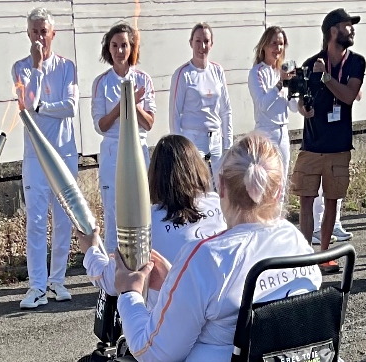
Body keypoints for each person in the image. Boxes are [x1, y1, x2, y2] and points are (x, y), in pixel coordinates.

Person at [81, 132, 321, 362]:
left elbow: (152, 351)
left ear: (222, 187)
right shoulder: (295, 240)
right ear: (278, 190)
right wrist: (173, 284)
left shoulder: (207, 257)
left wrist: (129, 293)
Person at [78, 134, 227, 310]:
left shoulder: (146, 224)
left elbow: (111, 281)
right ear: (198, 168)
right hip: (222, 313)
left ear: (154, 176)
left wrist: (91, 250)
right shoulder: (220, 204)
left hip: (171, 324)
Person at [11, 7, 79, 309]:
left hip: (63, 152)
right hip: (36, 156)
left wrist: (42, 107)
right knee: (36, 221)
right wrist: (37, 68)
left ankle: (57, 281)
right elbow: (26, 106)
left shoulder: (67, 67)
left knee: (64, 219)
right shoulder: (21, 68)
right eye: (35, 31)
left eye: (44, 31)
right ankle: (36, 285)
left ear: (53, 34)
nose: (40, 37)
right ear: (28, 34)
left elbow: (71, 107)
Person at [291, 8, 366, 273]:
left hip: (339, 145)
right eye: (348, 25)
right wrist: (305, 110)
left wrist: (326, 77)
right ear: (334, 31)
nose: (353, 30)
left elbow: (347, 96)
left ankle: (323, 256)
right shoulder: (311, 62)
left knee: (332, 200)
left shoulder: (357, 62)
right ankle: (304, 258)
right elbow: (302, 101)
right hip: (312, 144)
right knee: (306, 199)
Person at [92, 22, 157, 253]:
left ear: (132, 48)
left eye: (125, 46)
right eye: (115, 46)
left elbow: (149, 124)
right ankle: (112, 275)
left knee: (141, 207)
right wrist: (122, 104)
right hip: (112, 150)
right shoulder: (101, 82)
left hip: (138, 150)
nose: (120, 51)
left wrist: (135, 105)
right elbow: (101, 125)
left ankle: (143, 265)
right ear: (108, 49)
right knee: (113, 211)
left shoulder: (144, 79)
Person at [170, 22, 233, 186]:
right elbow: (175, 115)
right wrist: (179, 149)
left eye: (206, 41)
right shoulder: (183, 74)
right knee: (199, 188)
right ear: (191, 43)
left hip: (216, 140)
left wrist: (228, 145)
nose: (202, 46)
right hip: (194, 140)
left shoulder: (217, 71)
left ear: (211, 44)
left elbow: (226, 110)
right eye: (198, 41)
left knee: (221, 189)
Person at [247, 25, 296, 203]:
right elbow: (262, 105)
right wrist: (279, 84)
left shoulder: (282, 71)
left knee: (281, 182)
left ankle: (278, 222)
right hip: (266, 131)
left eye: (281, 44)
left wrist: (297, 90)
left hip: (283, 130)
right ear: (264, 46)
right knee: (266, 182)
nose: (278, 48)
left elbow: (293, 107)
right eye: (274, 43)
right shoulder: (257, 72)